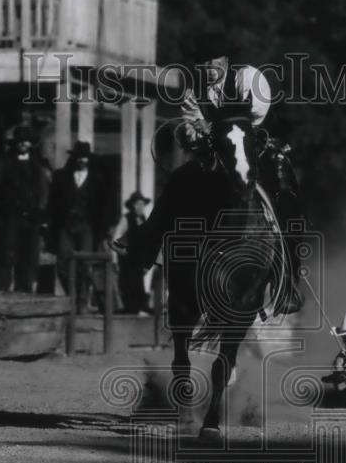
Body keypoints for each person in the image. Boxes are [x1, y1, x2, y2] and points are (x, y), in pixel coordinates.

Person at [125, 34, 306, 315]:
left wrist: (215, 126)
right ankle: (146, 244)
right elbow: (188, 124)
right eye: (204, 62)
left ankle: (290, 281)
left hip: (249, 145)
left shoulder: (248, 78)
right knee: (177, 182)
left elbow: (257, 113)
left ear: (225, 60)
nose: (209, 67)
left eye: (214, 61)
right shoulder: (194, 88)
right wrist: (199, 135)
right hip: (213, 153)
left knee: (284, 187)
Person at [0, 125, 49, 292]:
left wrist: (40, 211)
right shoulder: (4, 162)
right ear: (15, 143)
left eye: (26, 141)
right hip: (9, 216)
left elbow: (43, 190)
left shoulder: (37, 165)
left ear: (30, 144)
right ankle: (1, 291)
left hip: (31, 218)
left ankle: (24, 293)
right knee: (6, 255)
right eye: (20, 141)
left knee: (27, 258)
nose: (23, 144)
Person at [48, 141, 107, 312]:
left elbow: (104, 206)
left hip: (87, 225)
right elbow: (53, 202)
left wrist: (102, 229)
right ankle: (70, 296)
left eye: (85, 158)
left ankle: (81, 301)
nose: (82, 161)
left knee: (85, 263)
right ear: (73, 158)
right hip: (66, 224)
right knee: (62, 264)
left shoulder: (97, 179)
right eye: (79, 158)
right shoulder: (61, 176)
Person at [113, 191, 152, 314]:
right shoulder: (126, 218)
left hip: (139, 259)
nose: (140, 207)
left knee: (139, 284)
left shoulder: (143, 219)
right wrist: (118, 255)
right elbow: (116, 237)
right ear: (132, 206)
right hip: (127, 259)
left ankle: (141, 306)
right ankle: (130, 309)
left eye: (142, 204)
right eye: (138, 204)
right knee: (128, 284)